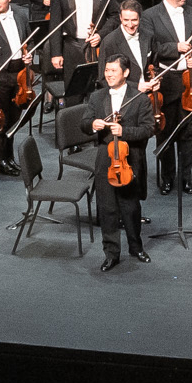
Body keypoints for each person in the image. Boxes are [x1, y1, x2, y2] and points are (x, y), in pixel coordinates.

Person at [75, 58, 153, 269]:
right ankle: (111, 253)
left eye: (113, 70)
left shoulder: (140, 98)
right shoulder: (97, 97)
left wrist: (124, 131)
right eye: (106, 70)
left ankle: (136, 247)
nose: (108, 74)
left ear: (125, 72)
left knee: (131, 207)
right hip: (105, 159)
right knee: (107, 207)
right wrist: (93, 124)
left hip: (130, 160)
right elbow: (83, 123)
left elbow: (148, 129)